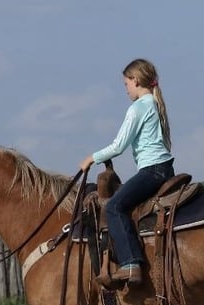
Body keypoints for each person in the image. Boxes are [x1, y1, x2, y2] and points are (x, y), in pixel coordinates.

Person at [79, 58, 174, 287]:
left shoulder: (139, 107)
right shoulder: (154, 104)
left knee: (114, 207)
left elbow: (119, 146)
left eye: (126, 84)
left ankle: (130, 263)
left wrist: (92, 158)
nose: (126, 90)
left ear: (136, 79)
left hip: (152, 171)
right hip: (165, 168)